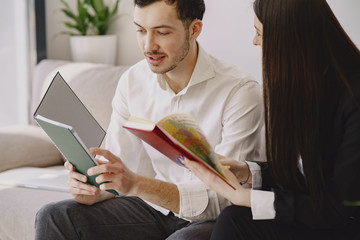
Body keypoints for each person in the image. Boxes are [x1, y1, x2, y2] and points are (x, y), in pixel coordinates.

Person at [34, 0, 264, 239]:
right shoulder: (132, 81)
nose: (148, 46)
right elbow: (121, 166)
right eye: (141, 30)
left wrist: (137, 185)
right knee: (54, 216)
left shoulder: (239, 91)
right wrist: (96, 187)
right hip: (155, 208)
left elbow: (225, 197)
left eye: (162, 32)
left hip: (215, 218)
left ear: (194, 30)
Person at [182, 0, 360, 239]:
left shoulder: (352, 96)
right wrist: (247, 172)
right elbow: (305, 177)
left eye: (259, 33)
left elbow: (339, 208)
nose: (255, 42)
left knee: (233, 220)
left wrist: (244, 196)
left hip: (344, 223)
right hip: (318, 215)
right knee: (233, 219)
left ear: (290, 39)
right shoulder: (305, 85)